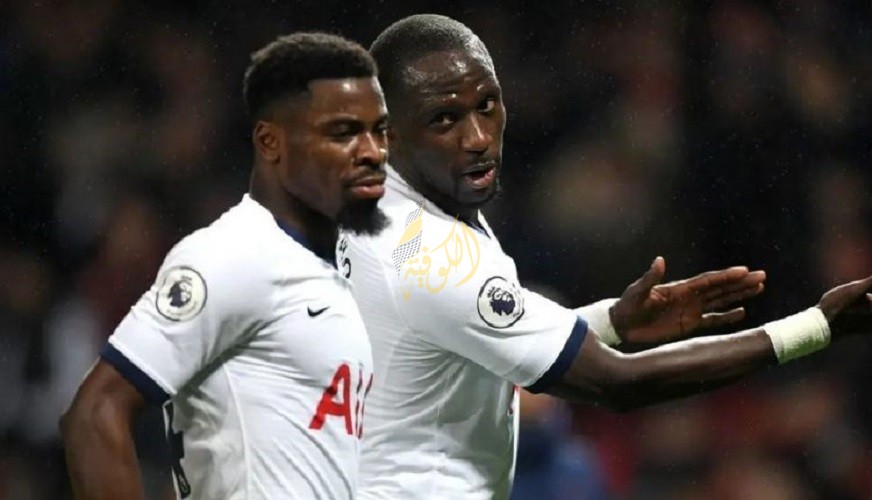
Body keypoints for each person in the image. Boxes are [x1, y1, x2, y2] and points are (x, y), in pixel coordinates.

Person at [337, 14, 872, 500]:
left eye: (486, 105)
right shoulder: (434, 255)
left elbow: (455, 341)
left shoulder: (380, 213)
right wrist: (814, 327)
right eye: (443, 119)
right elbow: (618, 383)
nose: (477, 137)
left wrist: (612, 321)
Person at [60, 32, 389, 500]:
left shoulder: (339, 274)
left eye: (379, 130)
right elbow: (95, 412)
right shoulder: (234, 254)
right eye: (343, 132)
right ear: (271, 142)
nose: (372, 151)